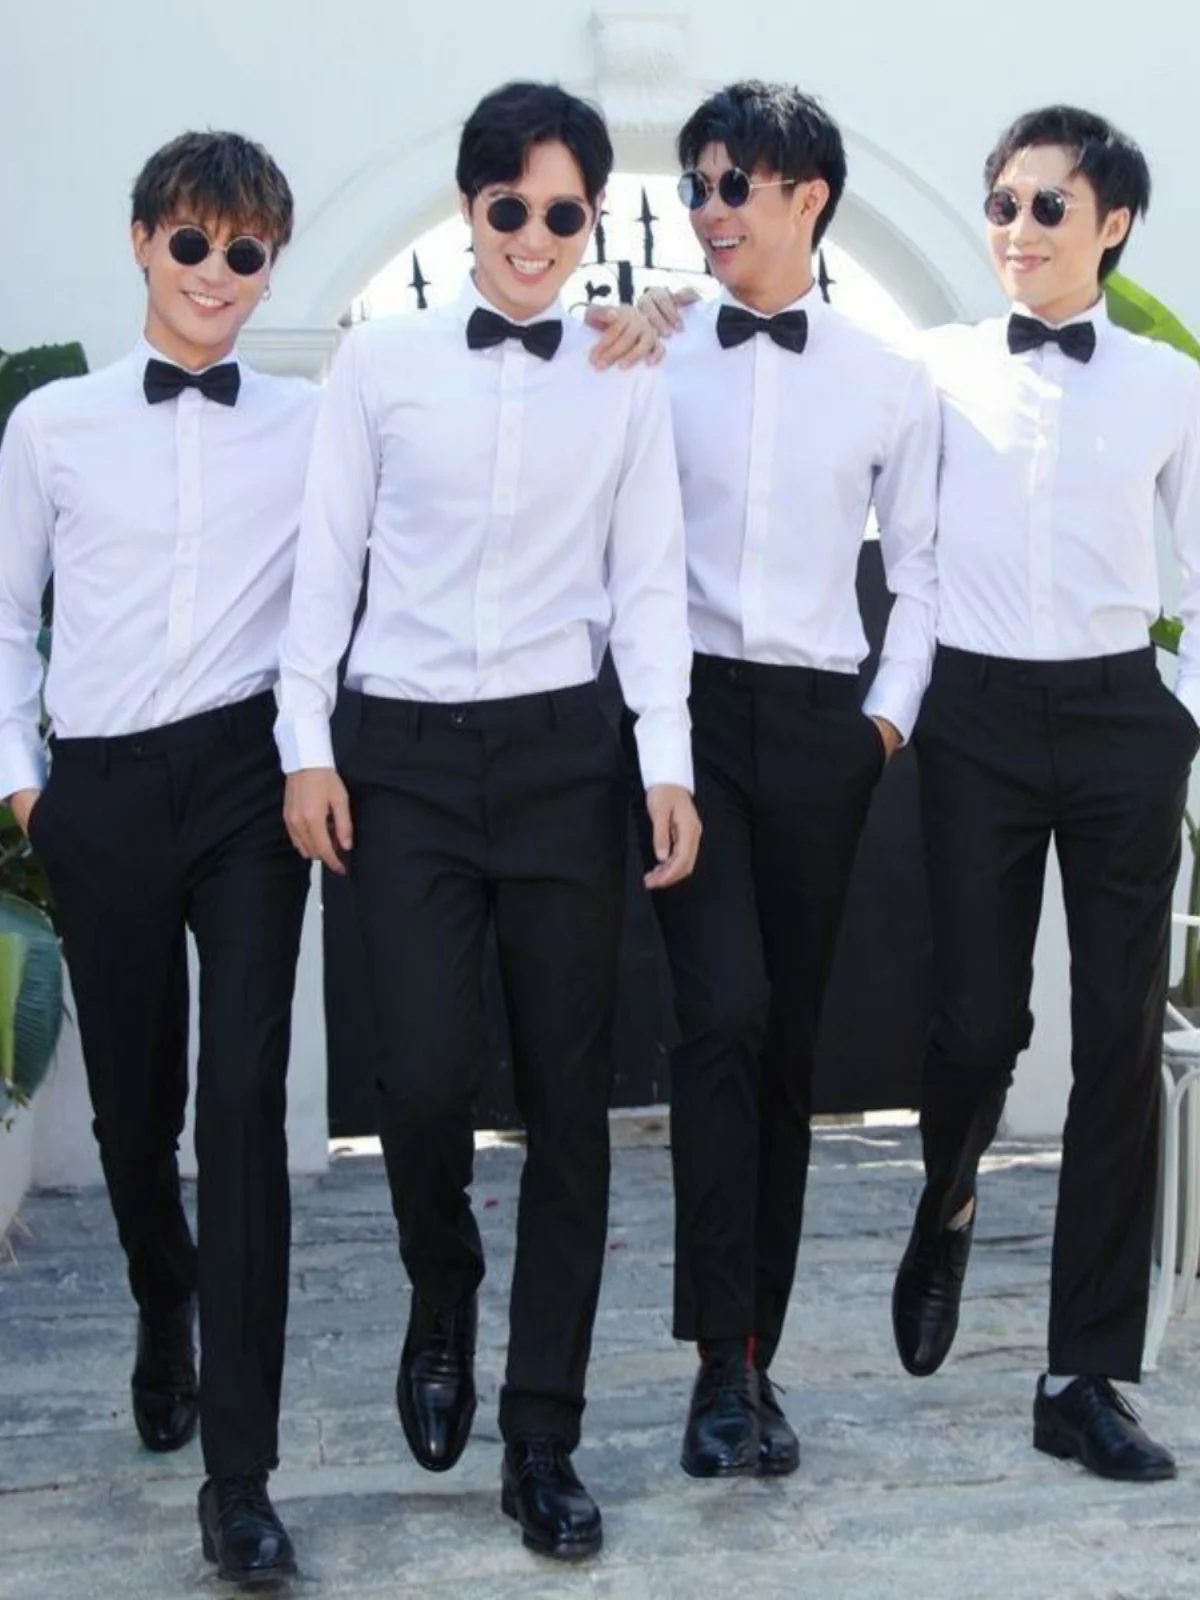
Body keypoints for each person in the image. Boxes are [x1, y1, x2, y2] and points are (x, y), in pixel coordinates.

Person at [276, 80, 699, 1561]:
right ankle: (441, 1285)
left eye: (563, 213)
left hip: (563, 758)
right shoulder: (380, 363)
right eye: (509, 207)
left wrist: (665, 760)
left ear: (593, 220)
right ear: (469, 208)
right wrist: (307, 743)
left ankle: (543, 1435)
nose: (534, 236)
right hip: (399, 757)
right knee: (420, 1073)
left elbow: (649, 577)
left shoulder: (626, 369)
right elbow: (324, 560)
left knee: (572, 1103)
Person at [0, 131, 317, 1583]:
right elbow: (5, 617)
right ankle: (159, 1294)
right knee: (137, 1115)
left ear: (270, 269)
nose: (214, 273)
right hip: (106, 791)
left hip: (251, 784)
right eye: (191, 241)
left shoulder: (311, 421)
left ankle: (239, 1480)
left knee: (240, 1108)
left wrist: (637, 327)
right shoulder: (53, 426)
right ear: (142, 240)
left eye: (244, 252)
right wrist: (29, 793)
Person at [891, 105, 1200, 1482]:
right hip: (975, 719)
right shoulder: (937, 365)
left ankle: (1082, 1373)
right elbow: (894, 540)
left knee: (1117, 1044)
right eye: (1003, 204)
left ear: (1112, 224)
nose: (1017, 229)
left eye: (1048, 206)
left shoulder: (1170, 386)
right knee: (974, 1025)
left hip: (1122, 719)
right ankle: (949, 1194)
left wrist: (1180, 714)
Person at [636, 81, 939, 1478]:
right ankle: (716, 1362)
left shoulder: (888, 376)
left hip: (823, 725)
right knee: (722, 1017)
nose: (707, 209)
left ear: (807, 196)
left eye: (732, 185)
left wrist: (882, 725)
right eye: (695, 185)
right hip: (686, 716)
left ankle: (754, 1354)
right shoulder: (653, 352)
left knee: (788, 1046)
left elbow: (922, 571)